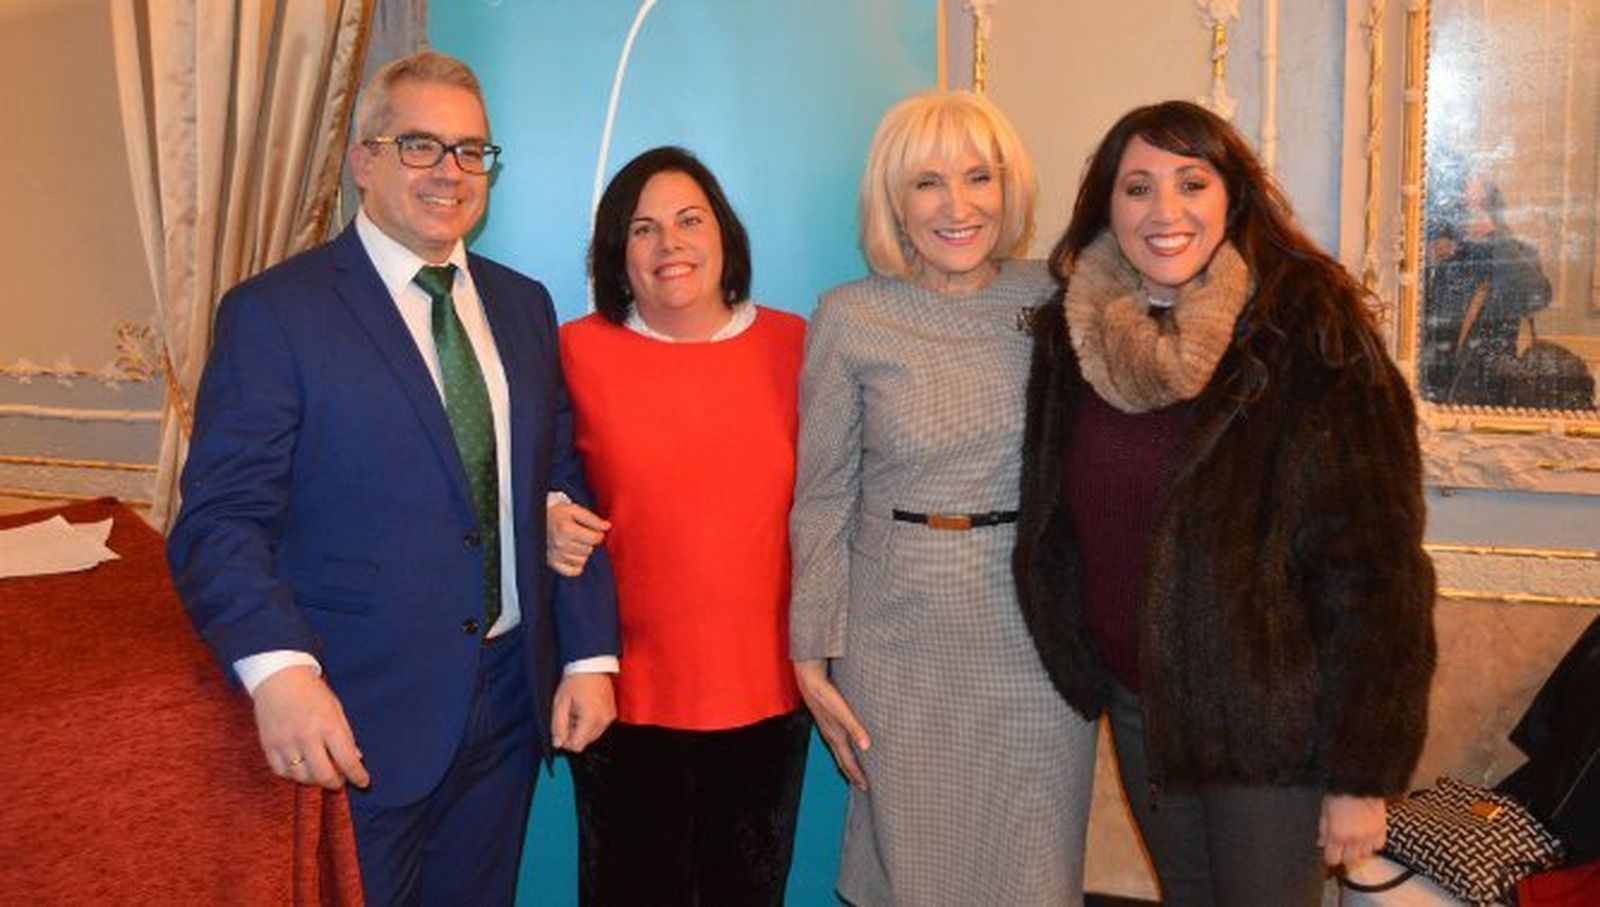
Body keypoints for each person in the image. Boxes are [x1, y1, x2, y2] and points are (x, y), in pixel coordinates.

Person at [167, 50, 620, 904]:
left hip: (509, 703)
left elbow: (559, 482)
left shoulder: (523, 305)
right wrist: (280, 671)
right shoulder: (276, 313)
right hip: (356, 712)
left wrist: (589, 651)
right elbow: (220, 520)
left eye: (471, 151)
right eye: (420, 145)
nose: (451, 173)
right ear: (362, 161)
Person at [1014, 100, 1437, 906]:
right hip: (1141, 705)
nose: (1164, 211)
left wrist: (1359, 773)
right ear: (1108, 205)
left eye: (1191, 182)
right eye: (1137, 187)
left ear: (1232, 197)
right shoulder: (1075, 334)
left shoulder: (1311, 331)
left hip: (1271, 727)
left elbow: (1377, 570)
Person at [788, 91, 1097, 905]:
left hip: (1036, 635)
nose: (958, 207)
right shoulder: (851, 316)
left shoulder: (1061, 299)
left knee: (1034, 866)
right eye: (927, 183)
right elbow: (821, 497)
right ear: (894, 199)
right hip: (898, 640)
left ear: (1010, 187)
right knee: (914, 871)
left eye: (978, 177)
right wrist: (810, 654)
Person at [553, 146, 810, 905]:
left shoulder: (796, 346)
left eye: (689, 220)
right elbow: (538, 477)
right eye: (644, 228)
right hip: (625, 702)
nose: (671, 244)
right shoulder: (574, 352)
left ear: (723, 232)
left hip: (766, 693)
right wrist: (545, 513)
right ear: (616, 253)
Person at [1420, 171, 1553, 406]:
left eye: (1478, 206)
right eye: (1463, 206)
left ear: (1493, 209)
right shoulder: (1443, 252)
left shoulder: (1515, 251)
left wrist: (1495, 239)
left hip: (1488, 393)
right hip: (1432, 389)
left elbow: (1538, 296)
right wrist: (1427, 261)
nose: (1470, 216)